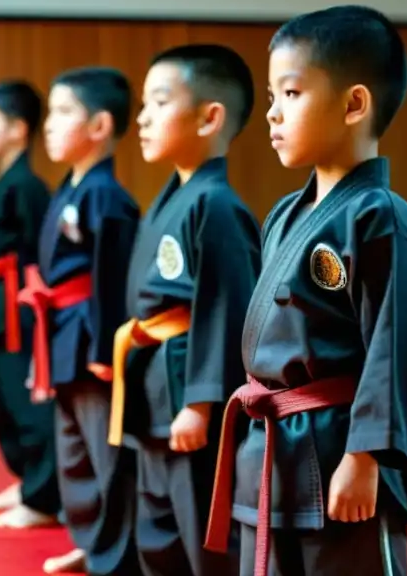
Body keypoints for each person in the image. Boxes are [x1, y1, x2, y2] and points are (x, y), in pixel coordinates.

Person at [204, 6, 407, 576]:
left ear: (354, 103)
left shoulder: (383, 218)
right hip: (270, 450)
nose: (272, 115)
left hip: (339, 451)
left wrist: (366, 458)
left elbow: (395, 350)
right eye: (270, 97)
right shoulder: (285, 214)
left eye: (290, 94)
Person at [109, 44, 261, 575]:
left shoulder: (216, 204)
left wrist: (202, 403)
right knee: (157, 528)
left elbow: (224, 309)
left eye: (158, 101)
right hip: (154, 385)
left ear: (209, 117)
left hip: (186, 398)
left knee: (200, 533)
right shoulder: (174, 194)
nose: (143, 118)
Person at [18, 66, 141, 576]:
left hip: (90, 338)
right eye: (50, 113)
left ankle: (117, 554)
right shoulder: (68, 189)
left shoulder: (106, 197)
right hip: (62, 332)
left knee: (104, 454)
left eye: (64, 112)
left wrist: (103, 356)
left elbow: (112, 283)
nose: (49, 124)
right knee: (74, 454)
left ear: (100, 126)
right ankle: (90, 542)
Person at [0, 80, 61, 529]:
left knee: (26, 405)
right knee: (1, 402)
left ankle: (42, 497)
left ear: (19, 129)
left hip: (16, 308)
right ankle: (25, 481)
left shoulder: (28, 186)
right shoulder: (6, 181)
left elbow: (41, 252)